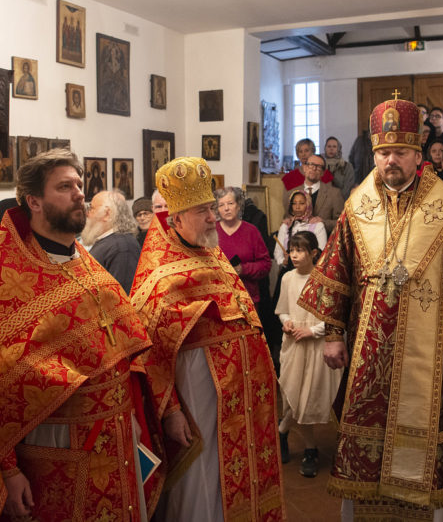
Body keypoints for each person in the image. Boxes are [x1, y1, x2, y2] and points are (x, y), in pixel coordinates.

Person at [298, 96, 443, 520]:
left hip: (433, 354)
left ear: (418, 154)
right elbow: (336, 272)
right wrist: (333, 334)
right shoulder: (356, 207)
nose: (391, 161)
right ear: (374, 154)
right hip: (368, 352)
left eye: (400, 152)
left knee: (432, 445)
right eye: (384, 152)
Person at [0, 149, 161, 522]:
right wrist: (8, 469)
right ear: (34, 201)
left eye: (79, 185)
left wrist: (135, 422)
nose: (79, 194)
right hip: (56, 445)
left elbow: (125, 349)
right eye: (65, 187)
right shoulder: (10, 282)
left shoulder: (89, 268)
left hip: (117, 438)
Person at [131, 157, 284, 521]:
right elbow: (149, 351)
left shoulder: (212, 253)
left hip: (239, 397)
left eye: (212, 208)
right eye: (203, 211)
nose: (214, 218)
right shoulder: (159, 272)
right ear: (176, 219)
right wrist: (171, 411)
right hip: (196, 394)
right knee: (202, 480)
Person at [275, 231, 341, 478]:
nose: (293, 255)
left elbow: (333, 316)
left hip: (316, 344)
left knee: (309, 398)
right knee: (293, 395)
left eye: (300, 250)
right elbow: (283, 309)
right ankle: (287, 435)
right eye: (291, 250)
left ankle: (304, 446)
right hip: (294, 344)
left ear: (314, 253)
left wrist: (312, 331)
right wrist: (287, 322)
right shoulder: (287, 278)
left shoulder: (324, 279)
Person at [215, 187, 272, 304]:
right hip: (219, 299)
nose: (226, 208)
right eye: (221, 205)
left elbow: (265, 264)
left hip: (247, 299)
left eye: (230, 203)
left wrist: (243, 269)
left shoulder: (252, 231)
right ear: (217, 209)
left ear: (238, 205)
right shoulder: (210, 231)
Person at [82, 188, 142, 293]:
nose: (87, 214)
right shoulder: (108, 241)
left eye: (91, 208)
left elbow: (122, 294)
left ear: (107, 214)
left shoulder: (123, 247)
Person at [283, 154, 344, 235]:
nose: (314, 169)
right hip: (297, 239)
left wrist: (323, 223)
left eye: (318, 167)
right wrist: (287, 221)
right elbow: (287, 216)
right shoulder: (292, 193)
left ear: (323, 173)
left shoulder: (334, 194)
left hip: (324, 239)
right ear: (304, 168)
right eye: (311, 165)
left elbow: (342, 222)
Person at [324, 136, 356, 200]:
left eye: (334, 146)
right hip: (323, 201)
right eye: (329, 146)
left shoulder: (347, 166)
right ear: (325, 148)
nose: (331, 149)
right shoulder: (321, 165)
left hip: (341, 200)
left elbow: (348, 187)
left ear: (338, 149)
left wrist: (338, 199)